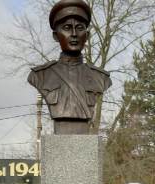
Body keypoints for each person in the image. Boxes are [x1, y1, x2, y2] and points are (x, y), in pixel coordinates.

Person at [27, 0, 111, 134]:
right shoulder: (41, 75)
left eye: (79, 28)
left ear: (87, 35)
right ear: (56, 36)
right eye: (66, 28)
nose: (74, 34)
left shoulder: (100, 78)